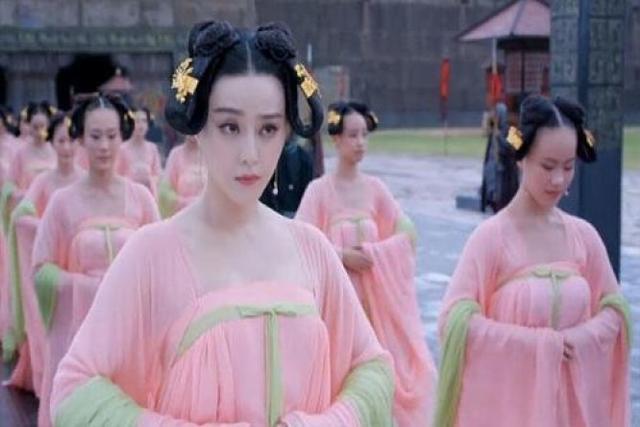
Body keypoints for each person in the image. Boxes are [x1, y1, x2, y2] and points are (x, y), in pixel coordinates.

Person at [50, 21, 394, 427]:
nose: (250, 153)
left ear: (286, 131)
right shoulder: (151, 253)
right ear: (198, 128)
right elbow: (73, 390)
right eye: (230, 127)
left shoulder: (311, 248)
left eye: (268, 128)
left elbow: (373, 368)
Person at [435, 95, 631, 427]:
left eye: (568, 166)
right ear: (521, 158)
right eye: (547, 166)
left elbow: (614, 312)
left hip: (572, 414)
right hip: (510, 413)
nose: (558, 180)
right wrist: (537, 346)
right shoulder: (491, 238)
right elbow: (453, 322)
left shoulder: (583, 237)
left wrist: (581, 339)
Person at [296, 100, 436, 426]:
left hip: (377, 311)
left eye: (364, 135)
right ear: (336, 139)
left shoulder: (375, 189)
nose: (360, 142)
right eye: (352, 135)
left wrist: (377, 253)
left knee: (382, 381)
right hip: (337, 308)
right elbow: (301, 242)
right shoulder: (319, 191)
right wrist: (341, 255)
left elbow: (406, 233)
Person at [32, 94, 160, 426]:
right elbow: (41, 269)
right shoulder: (62, 202)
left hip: (131, 330)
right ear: (80, 139)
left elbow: (160, 262)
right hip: (79, 333)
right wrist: (86, 287)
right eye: (95, 136)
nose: (104, 146)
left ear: (122, 136)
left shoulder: (140, 198)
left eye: (111, 136)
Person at [2, 112, 83, 394]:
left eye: (71, 140)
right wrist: (46, 228)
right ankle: (50, 385)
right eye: (61, 141)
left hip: (80, 270)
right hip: (53, 270)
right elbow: (22, 212)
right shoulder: (44, 181)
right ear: (53, 142)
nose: (67, 147)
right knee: (53, 328)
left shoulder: (85, 180)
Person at [0, 101, 57, 231]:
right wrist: (21, 195)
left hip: (53, 208)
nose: (39, 131)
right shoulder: (21, 153)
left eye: (42, 126)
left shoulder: (55, 150)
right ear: (29, 127)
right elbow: (9, 185)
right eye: (35, 127)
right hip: (29, 211)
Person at [259, 134, 313, 218]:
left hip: (295, 210)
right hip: (275, 210)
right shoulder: (272, 156)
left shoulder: (303, 157)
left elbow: (307, 187)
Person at [480, 102, 519, 212]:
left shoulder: (512, 129)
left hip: (506, 172)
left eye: (496, 114)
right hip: (494, 171)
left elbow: (517, 147)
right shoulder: (494, 130)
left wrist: (500, 137)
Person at [116, 106, 163, 197]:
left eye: (144, 121)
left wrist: (150, 180)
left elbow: (157, 174)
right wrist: (133, 179)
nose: (141, 125)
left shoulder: (152, 148)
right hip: (128, 196)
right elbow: (116, 175)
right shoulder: (122, 149)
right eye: (137, 121)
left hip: (148, 195)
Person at [158, 134, 206, 218]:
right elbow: (165, 191)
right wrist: (185, 203)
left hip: (207, 215)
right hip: (182, 215)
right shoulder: (175, 154)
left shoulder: (210, 155)